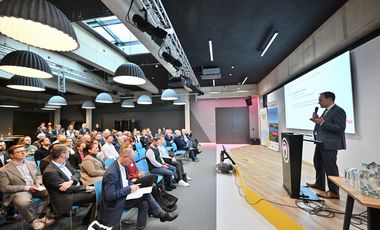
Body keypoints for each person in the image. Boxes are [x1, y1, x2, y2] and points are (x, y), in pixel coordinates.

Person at [95, 148, 178, 229]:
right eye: (131, 160)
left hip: (124, 196)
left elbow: (126, 180)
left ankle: (142, 227)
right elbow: (110, 196)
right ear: (124, 157)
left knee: (144, 203)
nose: (132, 162)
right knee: (145, 195)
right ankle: (162, 215)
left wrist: (133, 186)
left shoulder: (123, 165)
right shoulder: (111, 173)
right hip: (115, 203)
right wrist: (129, 189)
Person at [0, 145, 54, 229]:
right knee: (24, 203)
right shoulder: (4, 170)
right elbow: (5, 188)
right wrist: (27, 188)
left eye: (24, 150)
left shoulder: (31, 163)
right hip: (20, 191)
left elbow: (38, 175)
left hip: (35, 187)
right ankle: (33, 221)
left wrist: (38, 183)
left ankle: (42, 216)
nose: (23, 152)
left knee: (53, 192)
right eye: (19, 151)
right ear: (12, 155)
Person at [43, 144, 96, 225]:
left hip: (75, 188)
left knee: (99, 192)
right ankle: (89, 220)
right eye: (68, 152)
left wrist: (71, 181)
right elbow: (66, 189)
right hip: (65, 196)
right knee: (97, 194)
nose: (70, 153)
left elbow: (77, 173)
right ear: (62, 155)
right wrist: (85, 188)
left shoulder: (65, 162)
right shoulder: (50, 172)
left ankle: (90, 219)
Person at [308, 91, 346, 199]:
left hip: (330, 144)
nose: (319, 102)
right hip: (321, 142)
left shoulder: (338, 111)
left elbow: (340, 128)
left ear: (329, 99)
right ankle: (320, 184)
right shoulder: (326, 111)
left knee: (330, 168)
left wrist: (322, 122)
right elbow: (324, 124)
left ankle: (334, 192)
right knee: (318, 162)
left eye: (321, 100)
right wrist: (318, 120)